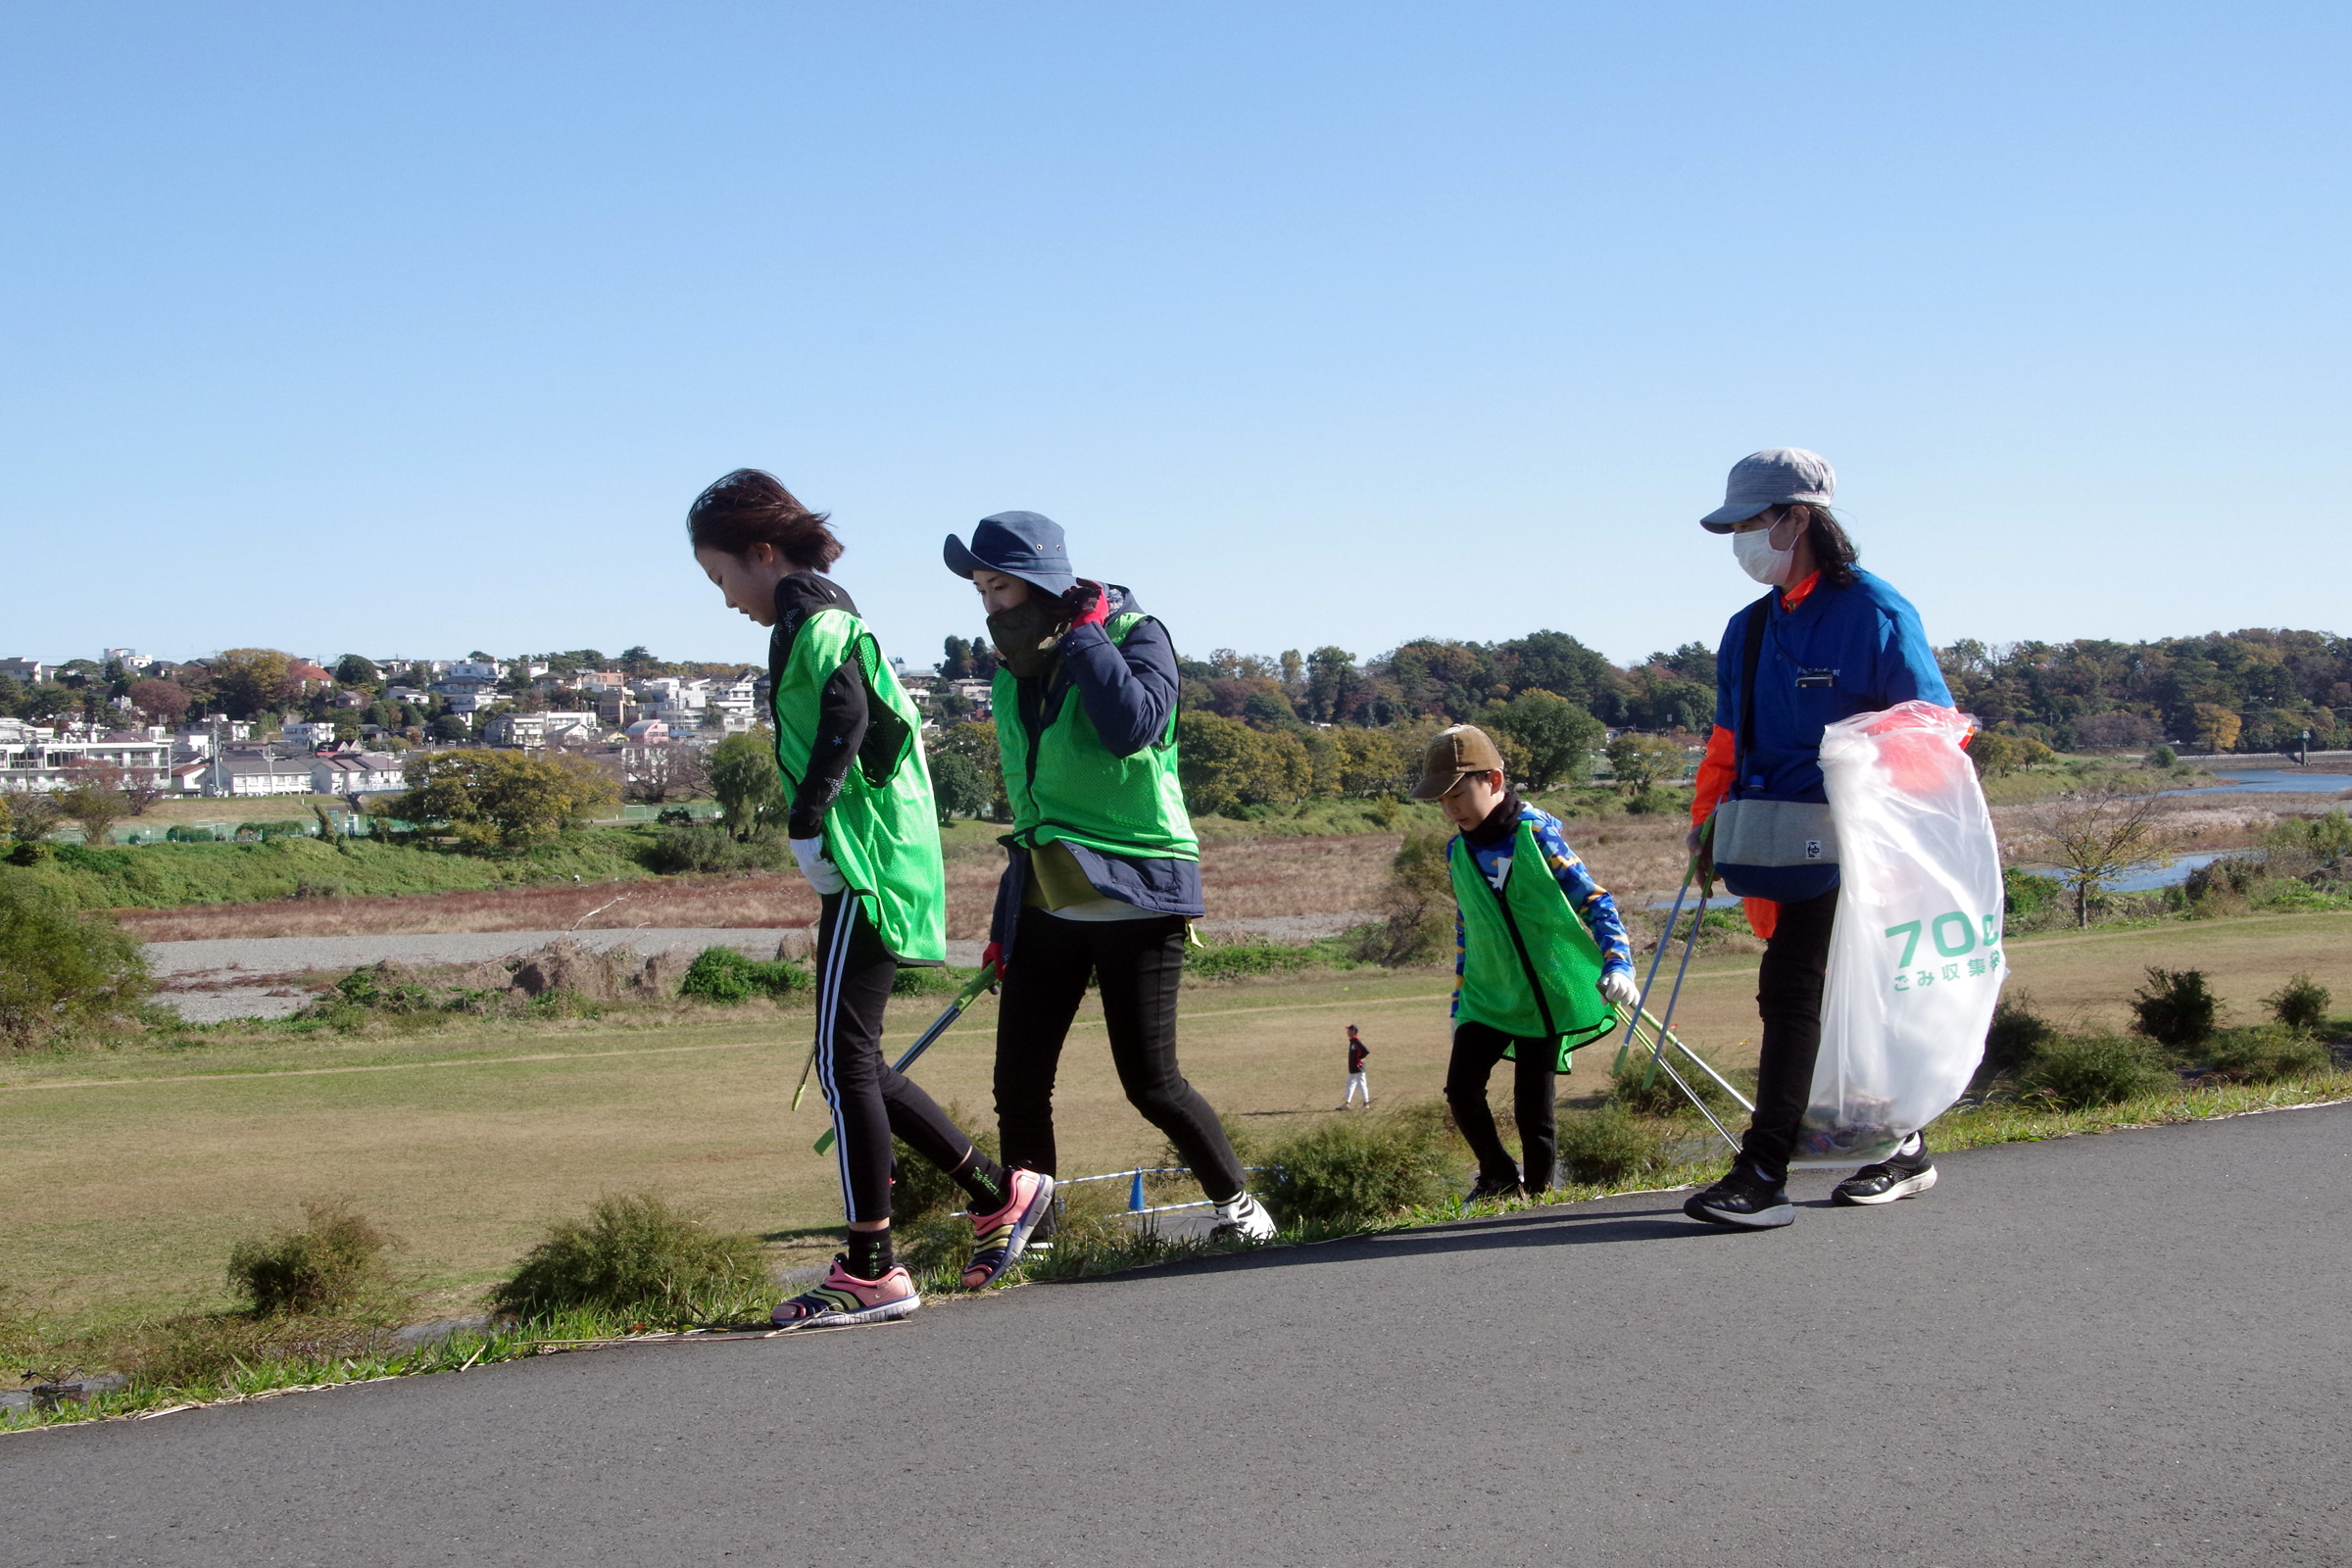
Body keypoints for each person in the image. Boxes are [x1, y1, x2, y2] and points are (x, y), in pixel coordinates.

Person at [689, 470, 1054, 1327]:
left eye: (719, 578)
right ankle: (1001, 1194)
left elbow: (848, 718)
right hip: (877, 860)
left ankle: (871, 1268)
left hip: (864, 861)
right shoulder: (825, 617)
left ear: (761, 553)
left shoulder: (815, 622)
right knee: (857, 1060)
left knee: (841, 1061)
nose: (723, 599)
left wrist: (808, 822)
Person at [943, 511, 1278, 1243]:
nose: (989, 605)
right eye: (980, 590)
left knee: (1151, 1085)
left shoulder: (1137, 635)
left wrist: (1087, 630)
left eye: (999, 587)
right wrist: (1006, 926)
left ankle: (1242, 1212)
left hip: (1140, 891)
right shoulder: (1012, 674)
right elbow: (1031, 813)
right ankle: (1040, 1237)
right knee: (1018, 1086)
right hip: (1047, 897)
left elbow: (1134, 728)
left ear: (1041, 584)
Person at [1682, 448, 1952, 1229]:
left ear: (1799, 518)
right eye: (1734, 526)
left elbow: (1932, 736)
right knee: (1838, 1002)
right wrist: (1708, 825)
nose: (1741, 540)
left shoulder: (1876, 614)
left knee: (1793, 991)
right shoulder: (1749, 630)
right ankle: (1900, 1147)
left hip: (1860, 851)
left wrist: (1863, 784)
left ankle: (1762, 1174)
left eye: (1752, 522)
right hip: (1772, 846)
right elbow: (1728, 743)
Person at [1413, 724, 1641, 1201]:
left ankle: (1538, 1195)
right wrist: (1458, 1005)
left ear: (1494, 782)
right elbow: (1466, 931)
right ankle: (1497, 1174)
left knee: (1532, 1111)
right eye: (1441, 799)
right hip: (1487, 996)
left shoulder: (1537, 837)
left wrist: (1619, 964)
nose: (1450, 807)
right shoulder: (1457, 852)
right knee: (1461, 1091)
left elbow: (1596, 902)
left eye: (1458, 793)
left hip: (1544, 998)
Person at [1341, 1025, 1371, 1108]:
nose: (1347, 1032)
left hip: (1358, 1068)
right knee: (1350, 1084)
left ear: (1353, 1032)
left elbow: (1365, 1051)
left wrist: (1359, 1058)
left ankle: (1366, 1103)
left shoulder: (1357, 1041)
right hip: (1354, 1069)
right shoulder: (1353, 1041)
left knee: (1362, 1085)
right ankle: (1347, 1103)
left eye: (1349, 1030)